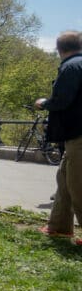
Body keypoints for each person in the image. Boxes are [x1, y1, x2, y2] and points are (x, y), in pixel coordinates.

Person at [35, 31, 82, 242]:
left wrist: (44, 103)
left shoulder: (71, 67)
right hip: (74, 136)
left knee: (77, 184)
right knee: (64, 179)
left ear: (59, 49)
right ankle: (59, 226)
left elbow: (62, 100)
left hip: (79, 135)